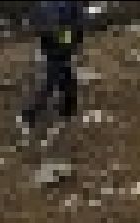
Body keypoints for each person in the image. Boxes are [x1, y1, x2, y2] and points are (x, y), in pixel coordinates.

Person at [21, 1, 89, 129]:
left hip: (54, 36)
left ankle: (67, 108)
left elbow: (34, 19)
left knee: (63, 72)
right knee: (56, 75)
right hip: (60, 35)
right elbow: (79, 21)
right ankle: (32, 112)